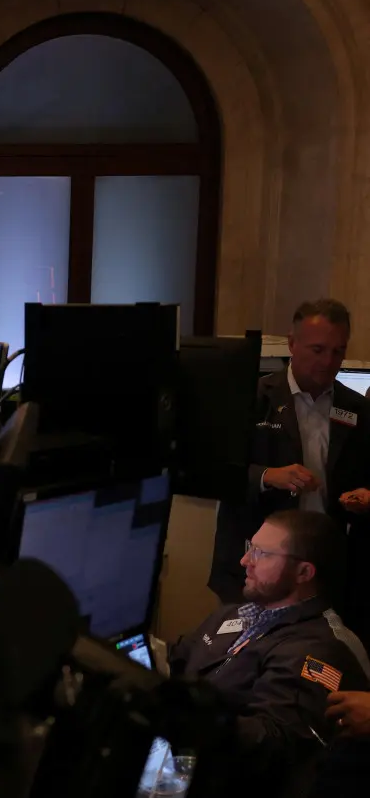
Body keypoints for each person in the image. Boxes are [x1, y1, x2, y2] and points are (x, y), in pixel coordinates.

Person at [173, 509, 370, 797]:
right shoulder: (236, 613)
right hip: (183, 763)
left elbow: (273, 745)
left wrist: (189, 718)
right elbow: (176, 659)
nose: (244, 561)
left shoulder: (320, 648)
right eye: (249, 548)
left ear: (304, 572)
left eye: (261, 554)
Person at [210, 298, 370, 639]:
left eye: (338, 352)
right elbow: (213, 472)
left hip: (326, 567)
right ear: (292, 344)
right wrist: (269, 476)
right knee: (246, 661)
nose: (328, 362)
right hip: (255, 563)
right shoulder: (252, 398)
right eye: (317, 349)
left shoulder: (356, 408)